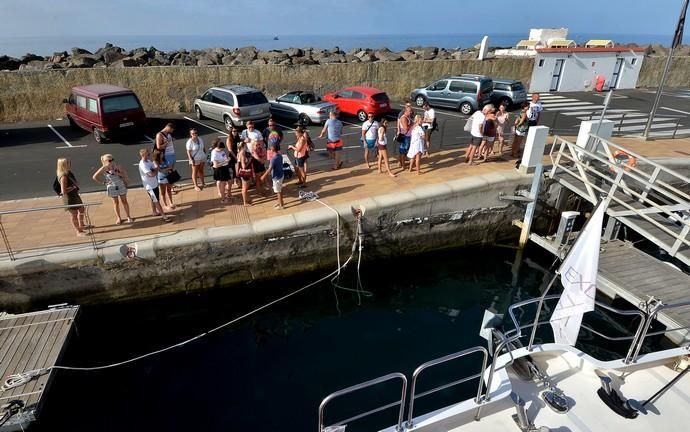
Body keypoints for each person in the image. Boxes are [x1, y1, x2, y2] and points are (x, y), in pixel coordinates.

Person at [92, 153, 133, 225]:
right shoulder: (103, 168)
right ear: (105, 161)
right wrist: (104, 182)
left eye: (112, 159)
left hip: (120, 185)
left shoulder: (117, 166)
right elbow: (94, 177)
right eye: (109, 160)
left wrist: (117, 173)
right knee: (115, 203)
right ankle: (119, 218)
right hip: (112, 187)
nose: (111, 161)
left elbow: (125, 175)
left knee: (124, 201)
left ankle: (128, 216)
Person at [57, 157, 89, 236]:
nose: (70, 164)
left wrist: (75, 184)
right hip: (69, 198)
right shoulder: (63, 176)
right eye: (68, 163)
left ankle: (81, 225)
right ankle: (78, 231)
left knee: (82, 209)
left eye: (69, 162)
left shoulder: (69, 172)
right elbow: (63, 191)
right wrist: (73, 187)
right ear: (63, 165)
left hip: (74, 195)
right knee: (74, 214)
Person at [138, 149, 171, 222]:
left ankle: (154, 212)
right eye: (148, 154)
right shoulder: (143, 165)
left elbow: (156, 168)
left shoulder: (148, 161)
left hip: (154, 184)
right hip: (149, 186)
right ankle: (164, 216)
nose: (149, 155)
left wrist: (155, 169)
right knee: (156, 201)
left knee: (154, 199)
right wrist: (155, 170)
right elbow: (151, 174)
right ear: (143, 155)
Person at [241, 121, 268, 194]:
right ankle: (251, 185)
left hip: (256, 154)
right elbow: (241, 142)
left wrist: (262, 154)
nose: (251, 128)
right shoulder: (244, 132)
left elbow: (261, 142)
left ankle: (260, 187)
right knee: (249, 171)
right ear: (247, 126)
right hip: (248, 154)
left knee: (259, 173)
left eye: (252, 127)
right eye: (250, 127)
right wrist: (244, 140)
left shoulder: (257, 132)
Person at [261, 141, 285, 210]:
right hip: (281, 175)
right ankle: (280, 202)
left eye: (271, 147)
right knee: (280, 189)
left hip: (277, 177)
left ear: (273, 149)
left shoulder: (273, 159)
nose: (270, 149)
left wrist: (263, 176)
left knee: (278, 191)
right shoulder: (280, 155)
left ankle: (281, 205)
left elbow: (269, 169)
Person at [210, 138, 232, 204]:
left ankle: (228, 194)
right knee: (222, 184)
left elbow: (224, 157)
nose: (222, 150)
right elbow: (216, 165)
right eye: (221, 149)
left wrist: (227, 159)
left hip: (225, 168)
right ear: (218, 147)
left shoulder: (222, 151)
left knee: (230, 181)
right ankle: (223, 199)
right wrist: (225, 161)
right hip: (220, 170)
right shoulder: (214, 153)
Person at [236, 141, 253, 207]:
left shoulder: (239, 152)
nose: (246, 147)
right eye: (245, 146)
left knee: (245, 187)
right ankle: (245, 202)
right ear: (243, 146)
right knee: (245, 188)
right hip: (245, 173)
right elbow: (243, 166)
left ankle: (246, 199)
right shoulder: (242, 153)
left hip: (243, 173)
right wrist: (249, 160)